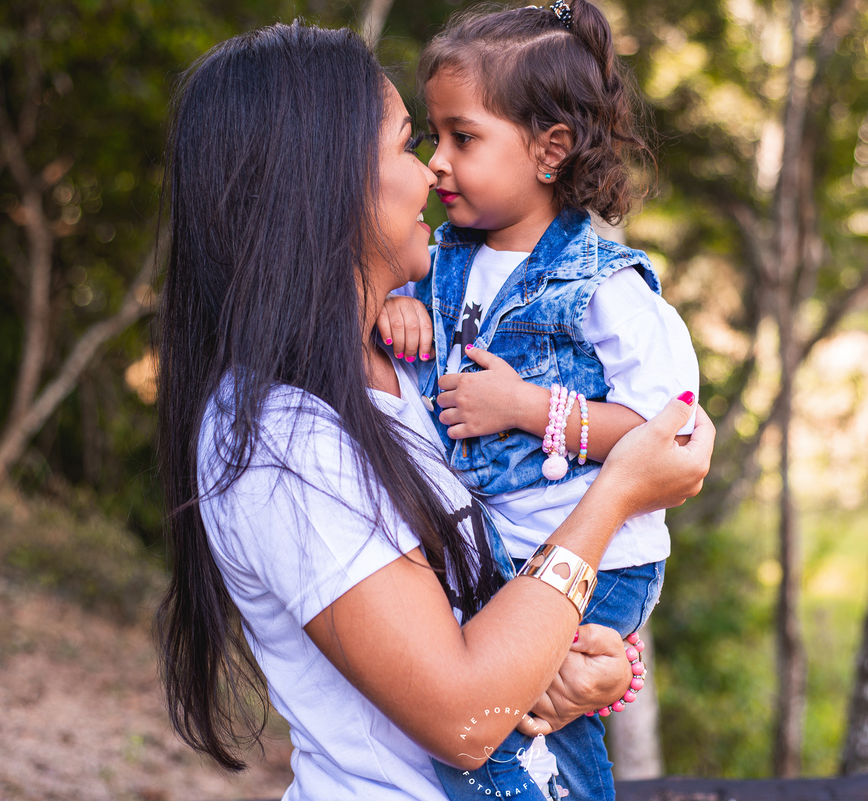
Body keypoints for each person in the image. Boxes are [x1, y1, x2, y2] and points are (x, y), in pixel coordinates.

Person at [155, 20, 713, 801]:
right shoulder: (278, 433)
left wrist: (604, 666)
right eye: (408, 145)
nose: (431, 172)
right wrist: (617, 493)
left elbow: (492, 604)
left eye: (452, 140)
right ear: (321, 185)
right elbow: (464, 714)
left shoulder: (415, 364)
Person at [375, 1, 699, 797]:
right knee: (508, 719)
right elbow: (409, 346)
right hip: (504, 554)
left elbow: (667, 429)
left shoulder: (605, 287)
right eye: (432, 137)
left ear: (549, 151)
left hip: (602, 562)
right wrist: (397, 310)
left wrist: (530, 409)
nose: (436, 163)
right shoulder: (439, 261)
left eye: (463, 137)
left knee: (506, 731)